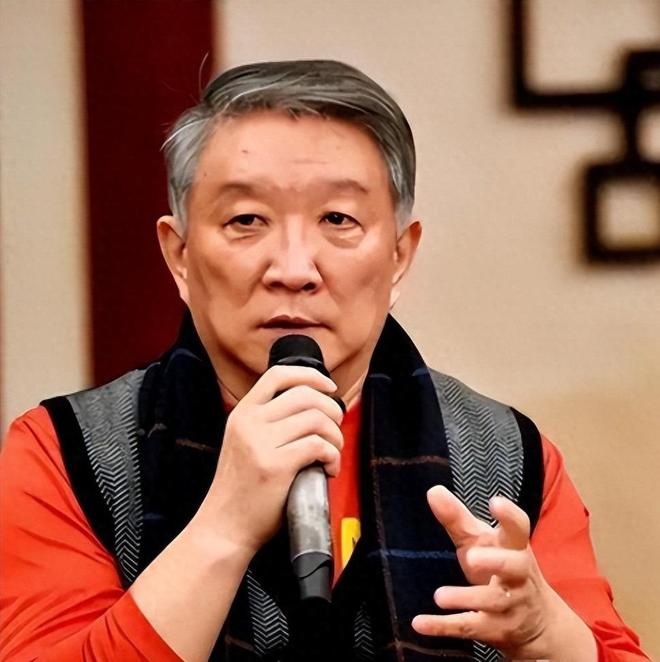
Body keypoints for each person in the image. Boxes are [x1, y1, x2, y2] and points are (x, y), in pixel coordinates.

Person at [0, 60, 649, 662]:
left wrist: (547, 636)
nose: (293, 269)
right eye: (246, 220)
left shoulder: (507, 456)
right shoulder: (66, 452)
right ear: (180, 257)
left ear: (399, 257)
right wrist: (224, 527)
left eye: (338, 219)